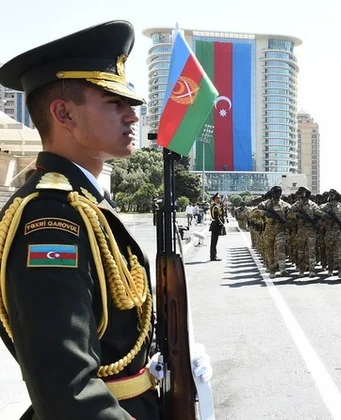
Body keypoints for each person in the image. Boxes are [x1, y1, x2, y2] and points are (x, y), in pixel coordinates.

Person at [0, 20, 210, 419]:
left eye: (130, 103)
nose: (133, 116)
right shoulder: (49, 217)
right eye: (115, 103)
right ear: (63, 113)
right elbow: (68, 390)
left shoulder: (84, 203)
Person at [209, 192, 224, 261]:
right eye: (218, 198)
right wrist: (221, 224)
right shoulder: (215, 207)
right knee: (214, 242)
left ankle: (214, 255)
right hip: (215, 225)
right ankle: (213, 256)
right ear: (215, 199)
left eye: (219, 198)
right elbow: (217, 217)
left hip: (216, 224)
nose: (219, 199)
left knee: (214, 241)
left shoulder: (217, 206)